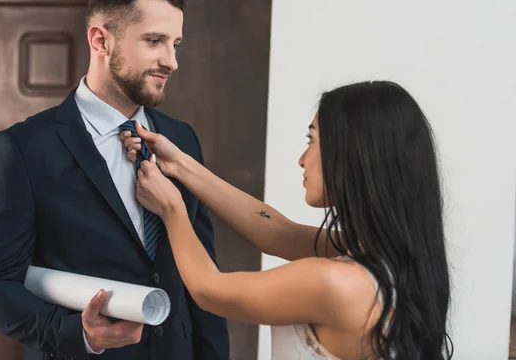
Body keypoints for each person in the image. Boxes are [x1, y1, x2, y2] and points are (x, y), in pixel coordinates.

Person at [0, 0, 229, 360]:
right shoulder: (23, 149)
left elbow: (204, 271)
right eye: (154, 41)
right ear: (100, 40)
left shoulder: (181, 138)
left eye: (176, 44)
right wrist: (79, 334)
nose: (171, 61)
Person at [120, 81, 454, 360]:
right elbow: (278, 232)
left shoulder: (335, 284)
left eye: (312, 141)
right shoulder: (385, 258)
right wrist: (181, 166)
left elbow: (210, 290)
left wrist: (172, 209)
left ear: (353, 156)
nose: (302, 159)